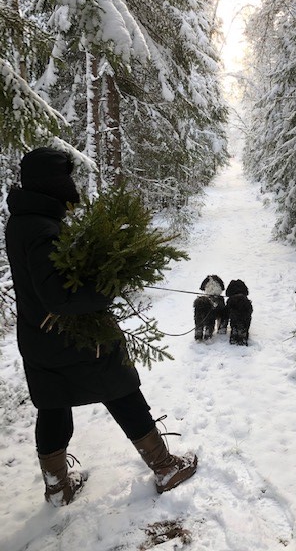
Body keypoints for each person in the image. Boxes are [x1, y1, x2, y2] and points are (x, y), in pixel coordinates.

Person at [5, 147, 197, 506]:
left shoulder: (23, 220)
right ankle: (165, 466)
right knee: (121, 389)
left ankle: (58, 486)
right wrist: (107, 286)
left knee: (52, 405)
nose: (72, 185)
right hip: (75, 339)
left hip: (38, 338)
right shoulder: (42, 228)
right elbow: (59, 298)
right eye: (67, 178)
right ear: (53, 182)